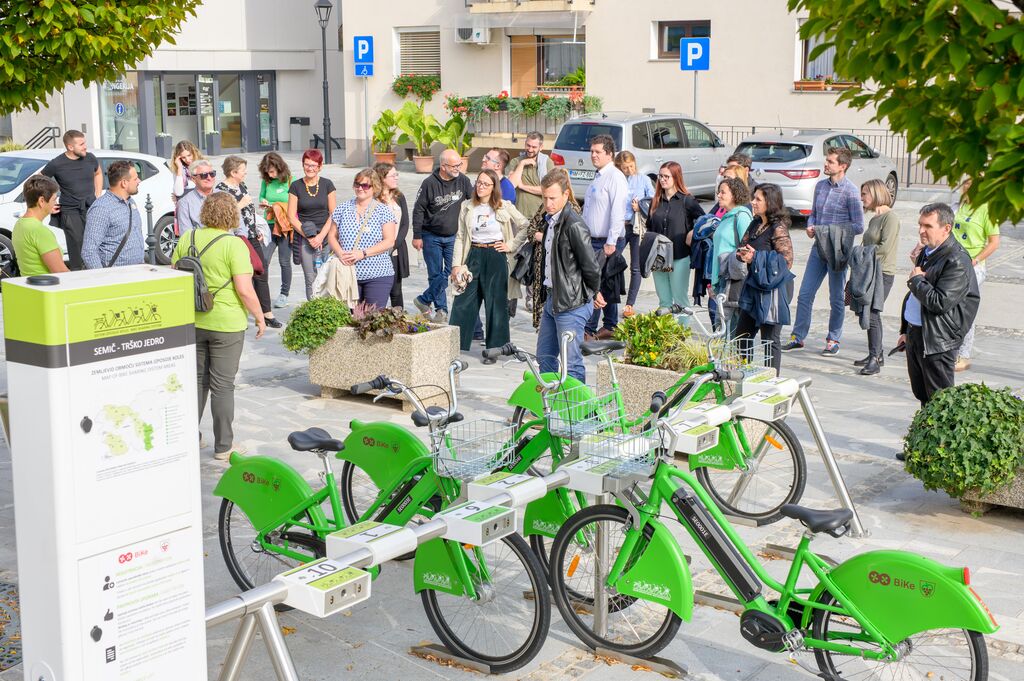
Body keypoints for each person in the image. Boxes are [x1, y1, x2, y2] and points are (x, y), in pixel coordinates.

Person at [171, 192, 265, 460]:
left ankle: (190, 436)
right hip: (226, 321)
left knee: (198, 382)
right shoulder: (233, 245)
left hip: (193, 318)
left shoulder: (187, 238)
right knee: (222, 385)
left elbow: (175, 270)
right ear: (232, 215)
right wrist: (259, 316)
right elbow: (245, 290)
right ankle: (224, 446)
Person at [896, 203, 979, 417]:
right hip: (918, 333)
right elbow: (915, 297)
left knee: (941, 401)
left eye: (928, 226)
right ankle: (921, 448)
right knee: (922, 395)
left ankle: (941, 449)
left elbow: (939, 302)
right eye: (920, 225)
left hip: (938, 340)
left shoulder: (957, 260)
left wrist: (916, 280)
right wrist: (905, 330)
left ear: (946, 228)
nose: (921, 230)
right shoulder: (928, 251)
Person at [783, 146, 865, 355]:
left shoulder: (851, 192)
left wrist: (825, 230)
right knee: (805, 293)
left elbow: (858, 226)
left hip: (838, 252)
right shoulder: (820, 186)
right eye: (826, 160)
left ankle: (833, 339)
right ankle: (798, 337)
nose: (825, 164)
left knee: (836, 298)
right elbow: (814, 214)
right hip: (818, 249)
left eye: (830, 161)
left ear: (843, 166)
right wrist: (812, 226)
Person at [450, 169, 529, 359]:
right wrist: (456, 265)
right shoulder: (467, 206)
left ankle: (495, 349)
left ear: (494, 187)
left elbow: (526, 225)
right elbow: (461, 236)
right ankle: (453, 344)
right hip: (474, 255)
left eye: (486, 184)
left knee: (496, 302)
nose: (481, 186)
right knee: (463, 300)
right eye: (478, 182)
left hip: (495, 256)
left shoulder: (503, 206)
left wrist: (510, 245)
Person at [534, 169, 602, 383]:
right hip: (552, 299)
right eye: (545, 198)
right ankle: (549, 410)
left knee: (571, 363)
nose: (548, 203)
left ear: (565, 195)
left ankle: (579, 414)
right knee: (544, 358)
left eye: (553, 198)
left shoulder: (573, 224)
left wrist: (590, 293)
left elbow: (591, 266)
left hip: (572, 303)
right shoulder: (550, 221)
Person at [733, 184, 794, 372]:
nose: (753, 202)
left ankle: (771, 384)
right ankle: (745, 375)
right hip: (753, 287)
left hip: (774, 290)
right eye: (754, 198)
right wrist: (742, 254)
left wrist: (756, 258)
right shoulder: (755, 223)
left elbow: (786, 261)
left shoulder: (778, 228)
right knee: (742, 336)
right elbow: (744, 245)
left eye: (758, 199)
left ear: (770, 202)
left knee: (770, 340)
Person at [218, 156, 281, 329]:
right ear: (233, 172)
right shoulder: (221, 190)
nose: (246, 172)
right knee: (240, 275)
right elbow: (222, 216)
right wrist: (240, 204)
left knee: (261, 270)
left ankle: (266, 313)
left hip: (251, 235)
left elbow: (249, 213)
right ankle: (243, 312)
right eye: (243, 170)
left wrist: (257, 229)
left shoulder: (241, 185)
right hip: (235, 238)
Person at [411, 148, 473, 322]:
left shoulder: (463, 181)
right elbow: (418, 210)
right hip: (431, 235)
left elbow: (473, 202)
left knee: (449, 272)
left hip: (454, 236)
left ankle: (424, 300)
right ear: (444, 166)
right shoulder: (429, 183)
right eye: (454, 165)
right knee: (435, 274)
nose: (458, 168)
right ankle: (441, 310)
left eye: (459, 164)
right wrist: (417, 235)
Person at [581, 133, 629, 340]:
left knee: (597, 283)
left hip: (606, 241)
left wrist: (611, 241)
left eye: (597, 152)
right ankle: (610, 326)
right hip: (593, 239)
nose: (593, 155)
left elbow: (618, 211)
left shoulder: (615, 177)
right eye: (591, 151)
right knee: (605, 283)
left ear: (609, 154)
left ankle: (590, 329)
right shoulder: (599, 175)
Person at [327, 168, 397, 309]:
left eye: (365, 185)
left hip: (378, 273)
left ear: (374, 187)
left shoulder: (383, 211)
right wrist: (340, 253)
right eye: (357, 184)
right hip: (348, 274)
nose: (360, 188)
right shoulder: (342, 208)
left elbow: (389, 241)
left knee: (373, 320)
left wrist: (363, 253)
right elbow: (331, 236)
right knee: (349, 320)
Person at [952, 178, 1000, 372]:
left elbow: (994, 242)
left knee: (965, 309)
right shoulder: (958, 207)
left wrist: (977, 259)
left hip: (973, 266)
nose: (967, 190)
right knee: (950, 307)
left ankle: (963, 354)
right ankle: (949, 349)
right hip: (953, 263)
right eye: (966, 186)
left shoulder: (987, 210)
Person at [854, 179, 900, 376]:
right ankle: (876, 353)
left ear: (876, 193)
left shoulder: (891, 218)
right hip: (869, 272)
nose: (861, 198)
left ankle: (875, 358)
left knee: (872, 313)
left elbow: (884, 249)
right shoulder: (874, 219)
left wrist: (861, 255)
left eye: (865, 193)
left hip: (882, 273)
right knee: (870, 313)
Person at [38, 129, 102, 270]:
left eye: (84, 143)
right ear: (70, 147)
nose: (85, 146)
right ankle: (78, 282)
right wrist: (49, 203)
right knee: (77, 248)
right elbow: (38, 181)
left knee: (95, 244)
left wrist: (97, 194)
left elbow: (98, 173)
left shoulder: (90, 158)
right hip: (70, 211)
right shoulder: (57, 163)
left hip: (91, 207)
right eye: (81, 144)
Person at [646, 161, 704, 316]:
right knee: (664, 301)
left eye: (666, 176)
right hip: (659, 257)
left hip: (680, 255)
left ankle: (682, 336)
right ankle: (666, 335)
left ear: (676, 177)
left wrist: (693, 233)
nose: (662, 179)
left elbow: (704, 221)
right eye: (660, 176)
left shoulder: (687, 200)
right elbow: (649, 227)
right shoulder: (656, 200)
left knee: (680, 301)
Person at [288, 149, 337, 301]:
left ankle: (328, 310)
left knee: (328, 276)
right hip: (305, 236)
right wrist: (310, 237)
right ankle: (313, 310)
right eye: (307, 165)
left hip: (326, 236)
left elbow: (333, 214)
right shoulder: (296, 186)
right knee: (310, 278)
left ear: (320, 166)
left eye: (314, 165)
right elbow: (291, 216)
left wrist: (320, 236)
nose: (310, 168)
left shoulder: (327, 184)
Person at [81, 160, 145, 269]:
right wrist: (104, 279)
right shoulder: (101, 208)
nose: (139, 181)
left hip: (137, 272)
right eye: (135, 178)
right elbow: (89, 251)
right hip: (115, 277)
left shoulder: (130, 202)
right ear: (124, 183)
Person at [710, 177, 753, 330]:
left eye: (723, 192)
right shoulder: (726, 217)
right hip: (722, 278)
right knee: (722, 327)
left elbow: (747, 248)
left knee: (731, 328)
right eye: (718, 192)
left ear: (734, 195)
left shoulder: (741, 216)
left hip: (734, 280)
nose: (718, 195)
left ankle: (736, 355)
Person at [616, 151, 655, 318]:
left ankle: (629, 305)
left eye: (631, 166)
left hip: (637, 226)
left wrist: (640, 207)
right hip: (620, 226)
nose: (629, 170)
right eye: (625, 168)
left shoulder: (644, 179)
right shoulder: (618, 180)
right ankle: (611, 297)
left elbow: (653, 201)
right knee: (612, 260)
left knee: (636, 267)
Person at [11, 176, 69, 276]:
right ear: (42, 201)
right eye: (54, 199)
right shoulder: (39, 231)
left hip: (30, 287)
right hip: (47, 287)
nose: (55, 203)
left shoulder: (20, 224)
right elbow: (61, 272)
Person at [257, 152, 293, 309]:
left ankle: (284, 294)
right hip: (269, 224)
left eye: (272, 171)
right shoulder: (266, 181)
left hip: (284, 226)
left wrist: (278, 206)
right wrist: (264, 202)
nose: (270, 175)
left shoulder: (290, 181)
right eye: (267, 172)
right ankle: (261, 293)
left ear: (279, 168)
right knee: (263, 260)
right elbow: (261, 197)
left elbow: (294, 202)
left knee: (284, 261)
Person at [374, 162, 410, 309]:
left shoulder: (399, 197)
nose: (396, 178)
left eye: (397, 174)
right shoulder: (373, 199)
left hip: (396, 250)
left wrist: (393, 244)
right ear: (382, 178)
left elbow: (405, 223)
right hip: (377, 252)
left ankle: (399, 320)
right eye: (393, 175)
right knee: (377, 291)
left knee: (396, 291)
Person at [506, 132, 551, 219]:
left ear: (541, 147)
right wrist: (522, 164)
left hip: (539, 217)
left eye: (534, 147)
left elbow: (547, 190)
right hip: (517, 215)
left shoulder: (547, 163)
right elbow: (510, 185)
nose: (530, 149)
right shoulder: (515, 162)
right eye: (528, 145)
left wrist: (522, 186)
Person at [176, 159, 220, 234]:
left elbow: (239, 227)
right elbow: (186, 235)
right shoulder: (185, 203)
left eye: (212, 174)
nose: (209, 178)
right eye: (204, 175)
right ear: (193, 179)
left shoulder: (225, 196)